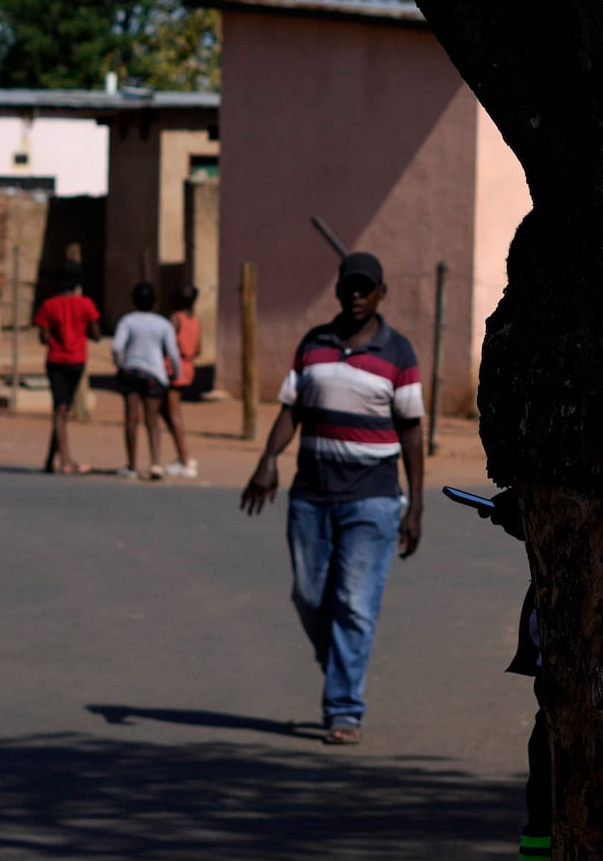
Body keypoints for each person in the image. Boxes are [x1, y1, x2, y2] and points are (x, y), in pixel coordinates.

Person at [240, 252, 424, 746]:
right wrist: (267, 459)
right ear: (339, 290)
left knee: (355, 605)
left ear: (381, 292)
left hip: (374, 499)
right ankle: (341, 663)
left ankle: (344, 707)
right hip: (311, 496)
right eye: (350, 286)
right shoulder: (314, 344)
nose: (357, 295)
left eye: (367, 287)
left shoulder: (398, 353)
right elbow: (290, 410)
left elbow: (411, 431)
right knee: (308, 594)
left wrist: (417, 508)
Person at [33, 261, 101, 475]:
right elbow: (96, 334)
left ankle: (50, 460)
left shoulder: (49, 305)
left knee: (60, 409)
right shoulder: (86, 304)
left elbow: (43, 337)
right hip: (76, 360)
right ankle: (66, 460)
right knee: (62, 410)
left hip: (55, 360)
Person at [112, 281, 182, 481]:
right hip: (154, 374)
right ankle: (155, 463)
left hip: (131, 372)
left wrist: (120, 364)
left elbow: (117, 347)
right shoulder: (163, 324)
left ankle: (132, 465)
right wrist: (176, 373)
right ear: (155, 302)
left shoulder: (127, 321)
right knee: (152, 420)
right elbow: (173, 353)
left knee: (131, 419)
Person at [158, 284, 202, 480]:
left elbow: (166, 343)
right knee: (165, 409)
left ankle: (184, 458)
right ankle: (181, 454)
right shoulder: (194, 320)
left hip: (174, 368)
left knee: (174, 411)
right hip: (189, 367)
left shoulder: (176, 319)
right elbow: (199, 348)